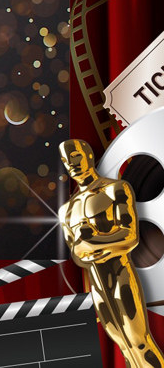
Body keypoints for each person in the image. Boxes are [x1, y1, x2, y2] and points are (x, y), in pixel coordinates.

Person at [59, 139, 164, 366]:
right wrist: (94, 244)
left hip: (120, 275)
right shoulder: (66, 210)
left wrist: (92, 242)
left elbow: (129, 236)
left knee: (139, 342)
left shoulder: (115, 189)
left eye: (75, 156)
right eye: (66, 160)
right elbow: (76, 255)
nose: (71, 164)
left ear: (88, 155)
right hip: (97, 285)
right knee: (124, 347)